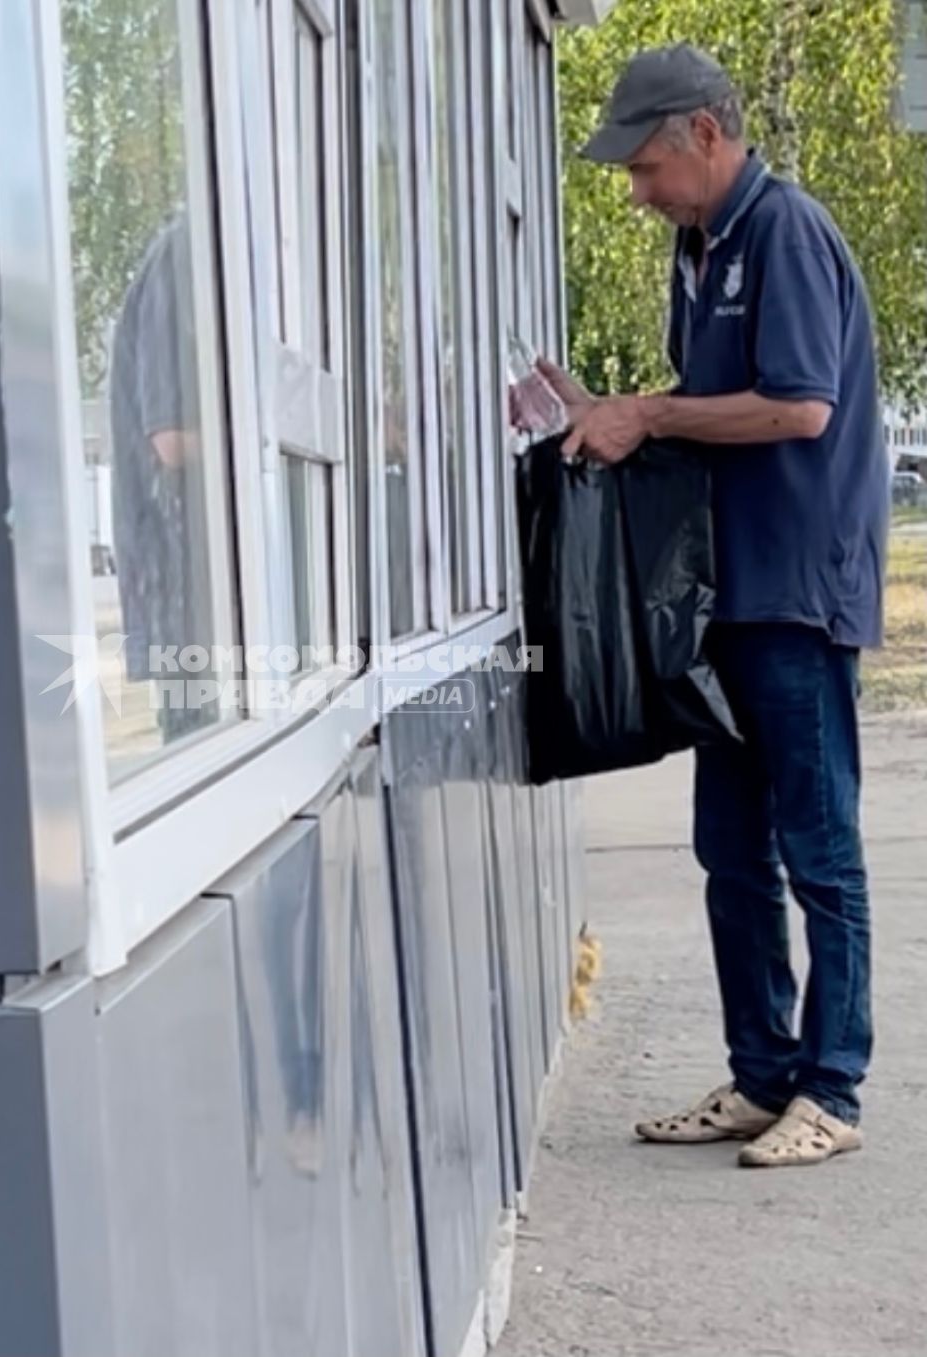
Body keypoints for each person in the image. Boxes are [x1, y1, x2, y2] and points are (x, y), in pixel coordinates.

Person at [540, 44, 888, 1168]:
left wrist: (646, 412)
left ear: (701, 132)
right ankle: (760, 1076)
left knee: (816, 850)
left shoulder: (781, 230)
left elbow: (795, 411)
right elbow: (695, 410)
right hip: (720, 602)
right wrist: (608, 412)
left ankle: (829, 1092)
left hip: (793, 594)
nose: (635, 193)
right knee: (729, 851)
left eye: (643, 166)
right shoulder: (697, 246)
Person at [107, 211, 212, 745]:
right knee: (203, 745)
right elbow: (169, 440)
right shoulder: (184, 255)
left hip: (206, 586)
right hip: (185, 582)